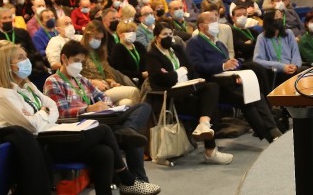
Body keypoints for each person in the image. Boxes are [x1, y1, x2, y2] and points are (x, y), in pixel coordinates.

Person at [0, 42, 154, 195]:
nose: (26, 60)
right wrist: (44, 112)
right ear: (7, 65)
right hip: (40, 148)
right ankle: (127, 178)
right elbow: (35, 125)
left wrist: (41, 114)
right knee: (103, 131)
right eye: (20, 58)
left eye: (25, 56)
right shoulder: (4, 94)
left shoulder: (29, 87)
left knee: (104, 152)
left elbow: (52, 109)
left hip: (55, 135)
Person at [43, 41, 166, 195]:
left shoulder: (81, 80)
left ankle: (126, 131)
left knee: (143, 107)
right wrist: (87, 108)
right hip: (82, 128)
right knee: (133, 140)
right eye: (76, 61)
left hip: (102, 120)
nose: (79, 65)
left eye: (82, 62)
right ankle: (139, 187)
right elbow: (60, 113)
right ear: (64, 58)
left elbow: (104, 96)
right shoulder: (53, 82)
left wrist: (106, 106)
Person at [185, 12, 282, 142]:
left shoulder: (220, 44)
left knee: (255, 93)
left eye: (216, 20)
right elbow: (197, 67)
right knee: (244, 97)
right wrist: (223, 66)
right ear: (202, 26)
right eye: (212, 21)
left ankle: (272, 129)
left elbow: (230, 63)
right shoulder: (195, 43)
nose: (216, 24)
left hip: (229, 80)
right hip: (213, 85)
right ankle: (269, 134)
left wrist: (236, 71)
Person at [146, 24, 231, 164]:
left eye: (170, 34)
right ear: (156, 37)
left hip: (187, 88)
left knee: (211, 87)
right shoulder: (152, 55)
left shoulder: (177, 49)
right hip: (170, 96)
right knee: (207, 106)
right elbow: (163, 80)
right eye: (164, 34)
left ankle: (204, 125)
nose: (168, 37)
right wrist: (181, 71)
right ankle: (210, 151)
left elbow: (191, 70)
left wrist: (175, 74)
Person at [80, 21, 139, 105]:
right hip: (92, 91)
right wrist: (92, 82)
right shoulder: (79, 52)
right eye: (96, 38)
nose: (99, 41)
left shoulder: (99, 53)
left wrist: (112, 82)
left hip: (106, 88)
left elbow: (108, 73)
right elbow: (75, 77)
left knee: (127, 103)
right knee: (133, 91)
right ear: (87, 35)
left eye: (101, 39)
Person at [253, 8, 302, 81]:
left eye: (281, 16)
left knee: (305, 71)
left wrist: (295, 65)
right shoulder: (262, 37)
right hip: (274, 71)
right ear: (270, 20)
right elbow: (257, 60)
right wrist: (282, 67)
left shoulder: (289, 33)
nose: (280, 19)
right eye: (277, 16)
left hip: (292, 69)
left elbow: (296, 53)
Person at [108, 20, 148, 85]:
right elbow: (120, 71)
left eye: (133, 31)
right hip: (127, 80)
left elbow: (146, 62)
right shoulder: (118, 49)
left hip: (144, 78)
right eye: (128, 32)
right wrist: (141, 74)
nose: (131, 34)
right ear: (120, 34)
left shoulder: (139, 45)